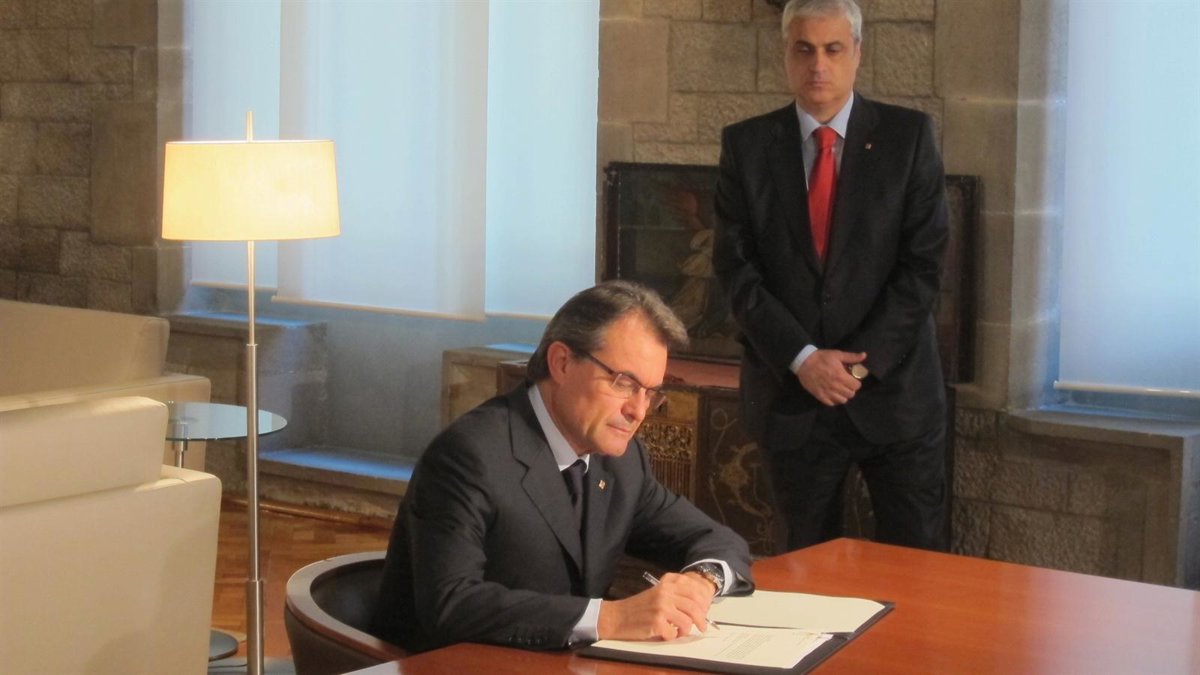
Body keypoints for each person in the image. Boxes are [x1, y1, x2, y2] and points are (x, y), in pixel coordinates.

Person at [372, 280, 754, 653]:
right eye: (624, 383)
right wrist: (611, 618)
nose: (638, 411)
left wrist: (701, 582)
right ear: (562, 363)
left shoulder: (622, 462)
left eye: (650, 393)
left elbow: (719, 540)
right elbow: (451, 603)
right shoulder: (469, 455)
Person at [713, 0, 949, 552]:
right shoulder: (746, 146)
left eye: (833, 49)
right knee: (804, 572)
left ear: (857, 54)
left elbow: (924, 265)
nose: (818, 64)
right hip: (793, 400)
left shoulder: (909, 138)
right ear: (785, 54)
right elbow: (735, 269)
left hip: (896, 397)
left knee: (918, 571)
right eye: (804, 49)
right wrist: (803, 360)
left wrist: (854, 368)